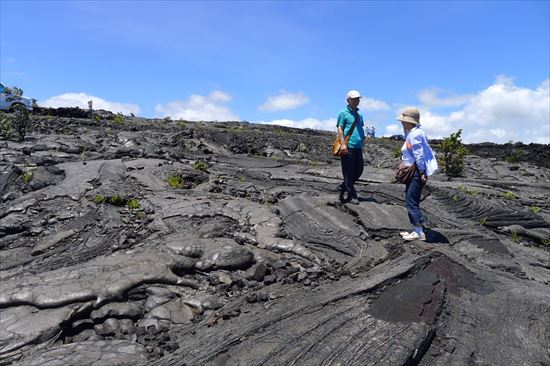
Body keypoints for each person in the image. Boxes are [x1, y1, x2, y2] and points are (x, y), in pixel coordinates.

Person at [397, 107, 438, 241]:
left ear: (409, 121)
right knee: (411, 199)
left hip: (415, 172)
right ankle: (416, 229)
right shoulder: (414, 133)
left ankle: (419, 232)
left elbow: (419, 155)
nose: (402, 123)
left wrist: (421, 172)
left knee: (411, 202)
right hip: (415, 171)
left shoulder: (414, 135)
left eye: (403, 121)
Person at [336, 90, 366, 205]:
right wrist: (343, 144)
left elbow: (360, 128)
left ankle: (343, 186)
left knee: (359, 170)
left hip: (358, 147)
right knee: (348, 172)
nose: (356, 101)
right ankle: (351, 195)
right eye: (354, 99)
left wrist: (363, 139)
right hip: (348, 146)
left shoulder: (359, 114)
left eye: (358, 99)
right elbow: (340, 129)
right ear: (348, 100)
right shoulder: (343, 113)